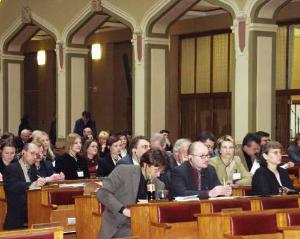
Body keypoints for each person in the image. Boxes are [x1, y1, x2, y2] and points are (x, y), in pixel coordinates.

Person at [96, 149, 169, 239]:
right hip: (118, 224)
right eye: (156, 170)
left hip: (143, 225)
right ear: (146, 165)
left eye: (161, 172)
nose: (158, 175)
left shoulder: (159, 185)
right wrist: (123, 210)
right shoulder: (123, 171)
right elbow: (103, 193)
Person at [3, 143, 46, 230]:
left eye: (36, 154)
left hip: (33, 214)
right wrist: (33, 184)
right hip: (16, 217)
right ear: (23, 152)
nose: (35, 157)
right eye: (32, 153)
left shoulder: (33, 169)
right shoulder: (12, 168)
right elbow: (14, 186)